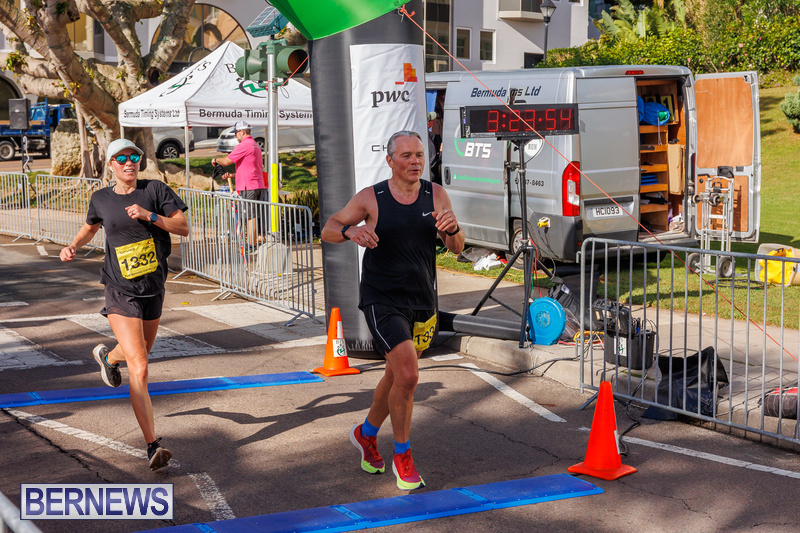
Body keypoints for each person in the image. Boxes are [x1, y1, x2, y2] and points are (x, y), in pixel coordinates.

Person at [321, 130, 465, 490]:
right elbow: (329, 228)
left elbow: (457, 248)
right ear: (390, 160)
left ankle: (366, 433)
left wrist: (453, 229)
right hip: (381, 298)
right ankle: (403, 454)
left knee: (397, 375)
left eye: (419, 155)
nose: (415, 161)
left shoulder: (436, 194)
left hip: (422, 300)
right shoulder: (373, 197)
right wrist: (351, 232)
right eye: (406, 156)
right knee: (409, 375)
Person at [59, 138, 189, 471]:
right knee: (140, 366)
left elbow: (183, 227)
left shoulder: (154, 190)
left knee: (138, 352)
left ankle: (107, 357)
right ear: (110, 165)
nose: (129, 162)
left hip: (153, 288)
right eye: (121, 158)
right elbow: (90, 228)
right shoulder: (101, 198)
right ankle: (152, 445)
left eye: (134, 157)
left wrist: (150, 215)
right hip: (120, 290)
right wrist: (73, 245)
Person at [212, 120, 266, 248]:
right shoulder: (255, 145)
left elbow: (226, 161)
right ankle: (252, 244)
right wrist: (233, 175)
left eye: (236, 133)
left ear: (242, 132)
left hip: (249, 187)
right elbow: (251, 168)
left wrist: (215, 159)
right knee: (253, 216)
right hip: (257, 185)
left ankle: (251, 245)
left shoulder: (244, 145)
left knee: (250, 217)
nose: (236, 135)